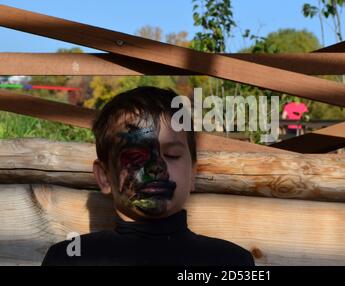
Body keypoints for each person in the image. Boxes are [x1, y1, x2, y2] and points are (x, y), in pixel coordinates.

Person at [42, 86, 255, 266]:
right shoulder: (67, 260)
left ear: (192, 174)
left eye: (172, 155)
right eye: (136, 155)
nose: (155, 167)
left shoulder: (230, 262)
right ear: (105, 176)